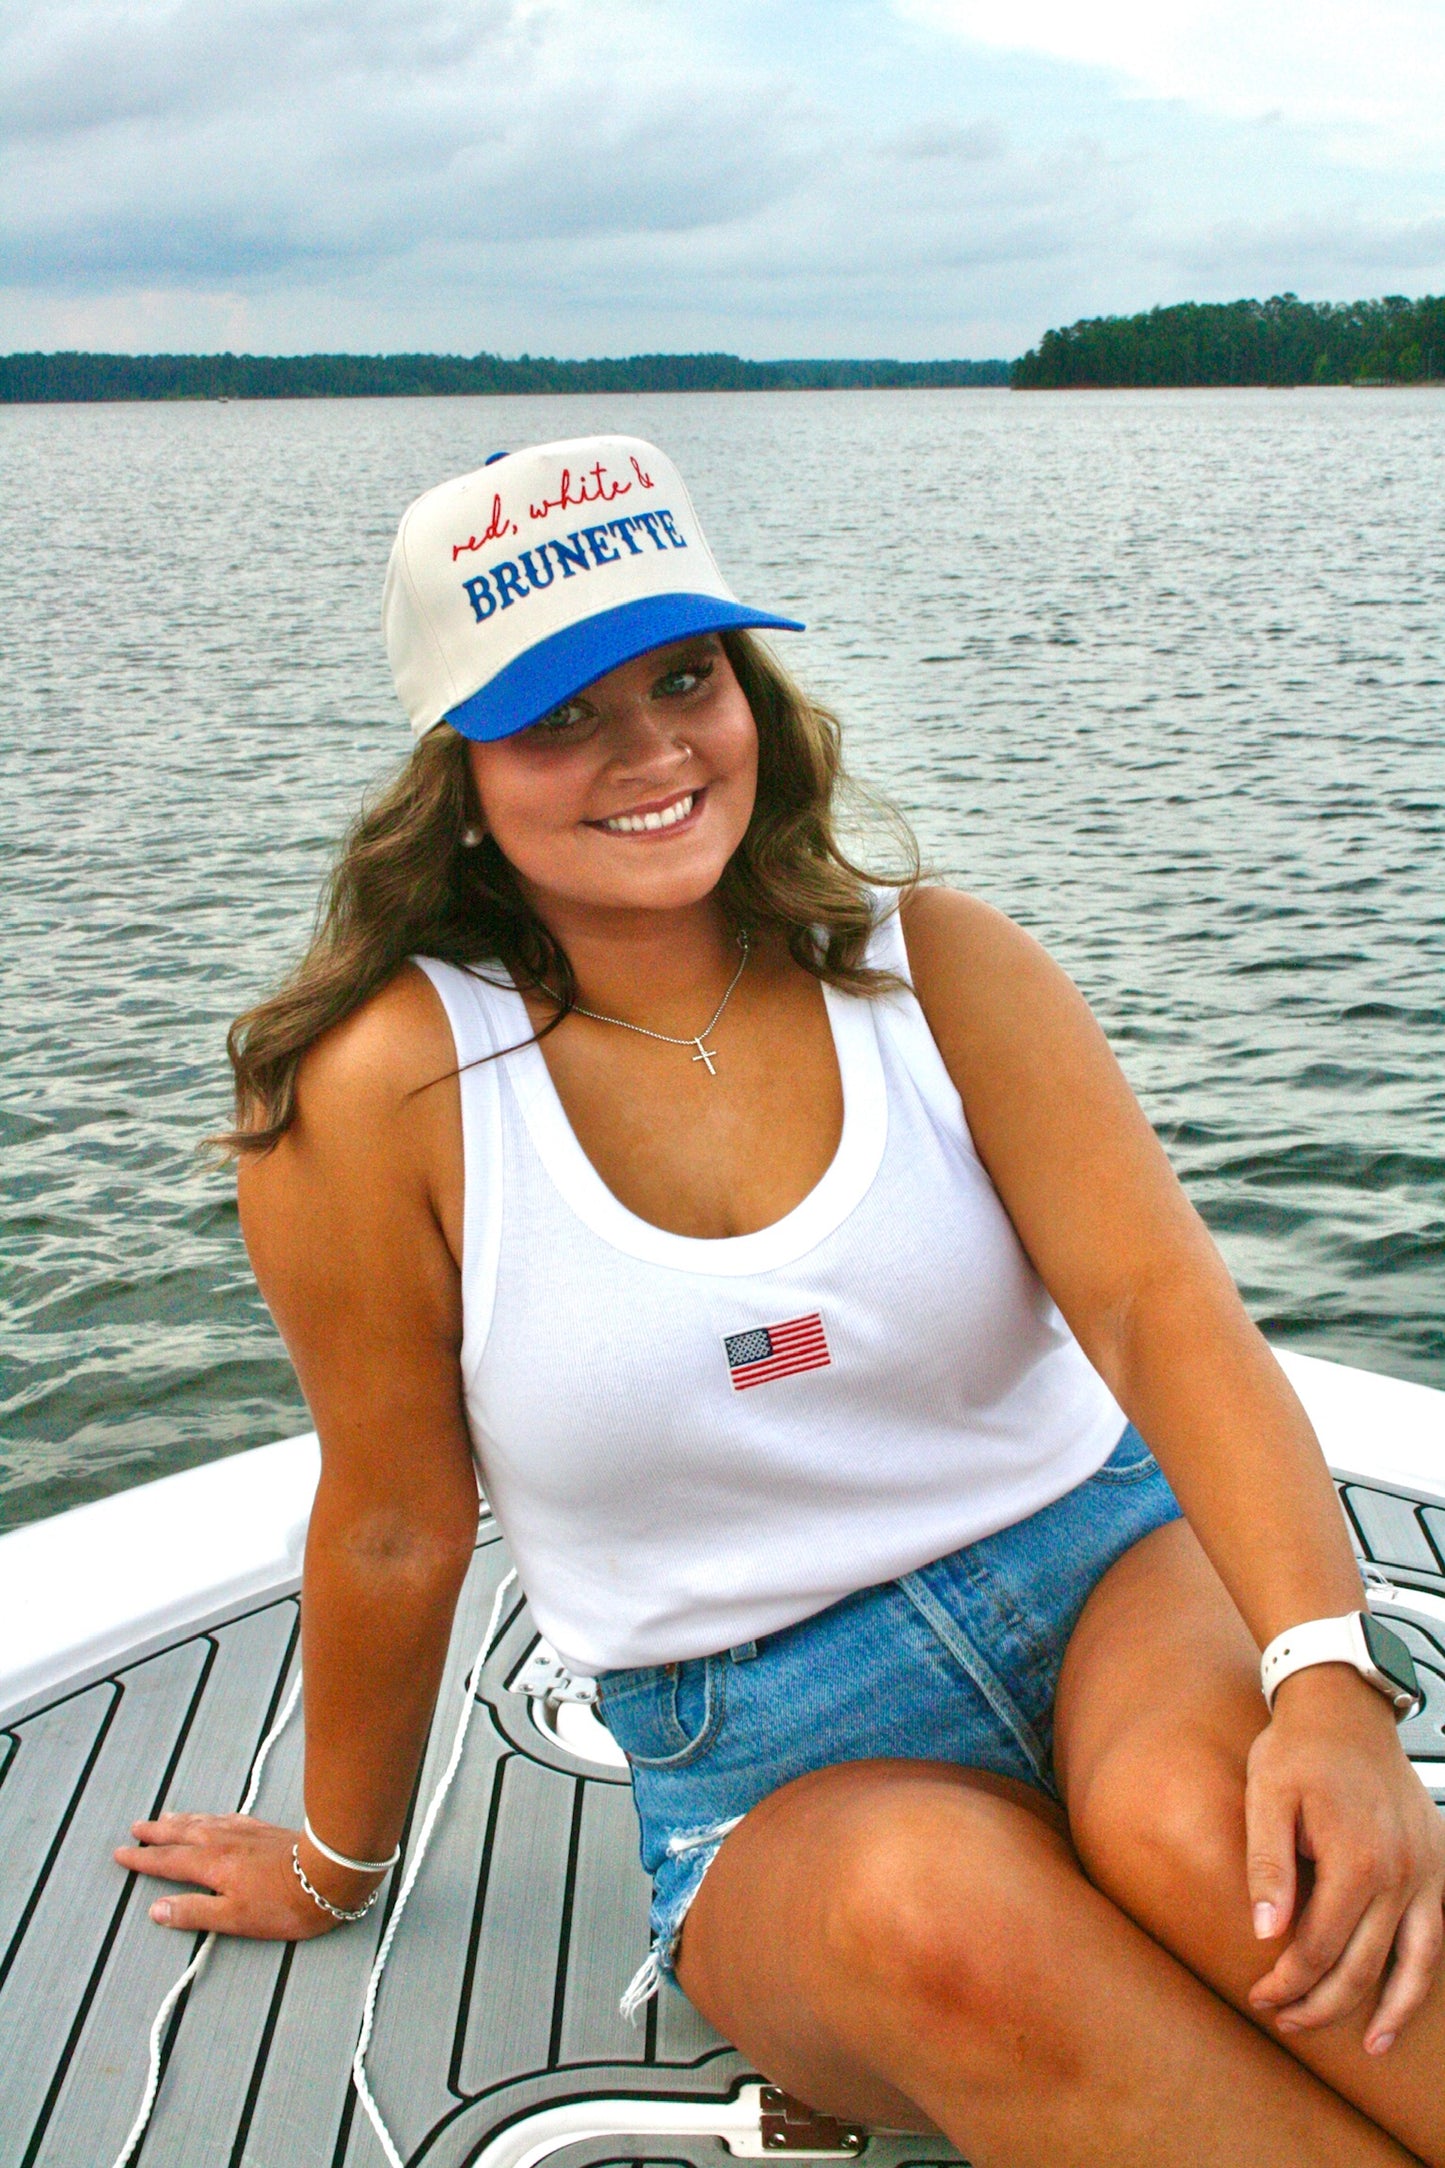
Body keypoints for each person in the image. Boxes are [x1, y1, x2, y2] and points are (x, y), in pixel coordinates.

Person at [117, 435, 1444, 2167]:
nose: (650, 748)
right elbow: (388, 1527)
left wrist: (1325, 1683)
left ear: (753, 692)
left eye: (687, 676)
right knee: (948, 1935)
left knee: (1220, 1852)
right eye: (560, 711)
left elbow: (1161, 1318)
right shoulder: (378, 1095)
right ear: (454, 765)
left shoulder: (943, 967)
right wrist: (331, 1855)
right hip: (763, 1746)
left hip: (1111, 1574)